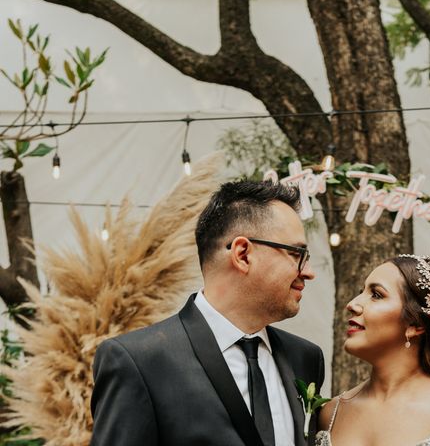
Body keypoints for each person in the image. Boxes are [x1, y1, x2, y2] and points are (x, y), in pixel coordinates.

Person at [90, 180, 324, 446]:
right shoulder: (139, 362)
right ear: (243, 254)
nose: (308, 271)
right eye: (297, 254)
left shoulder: (305, 358)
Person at [317, 255, 430, 446]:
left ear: (416, 324)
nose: (352, 304)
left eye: (376, 295)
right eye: (361, 291)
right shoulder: (332, 412)